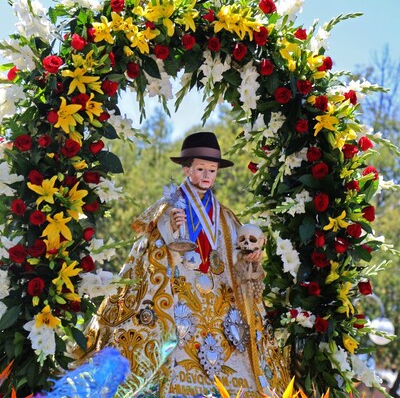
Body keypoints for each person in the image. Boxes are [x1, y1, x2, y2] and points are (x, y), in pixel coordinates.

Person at [75, 132, 290, 397]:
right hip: (175, 296)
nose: (206, 175)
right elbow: (147, 253)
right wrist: (170, 233)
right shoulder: (167, 208)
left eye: (212, 170)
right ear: (186, 169)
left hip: (220, 302)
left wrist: (250, 261)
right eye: (200, 169)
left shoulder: (226, 217)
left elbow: (238, 256)